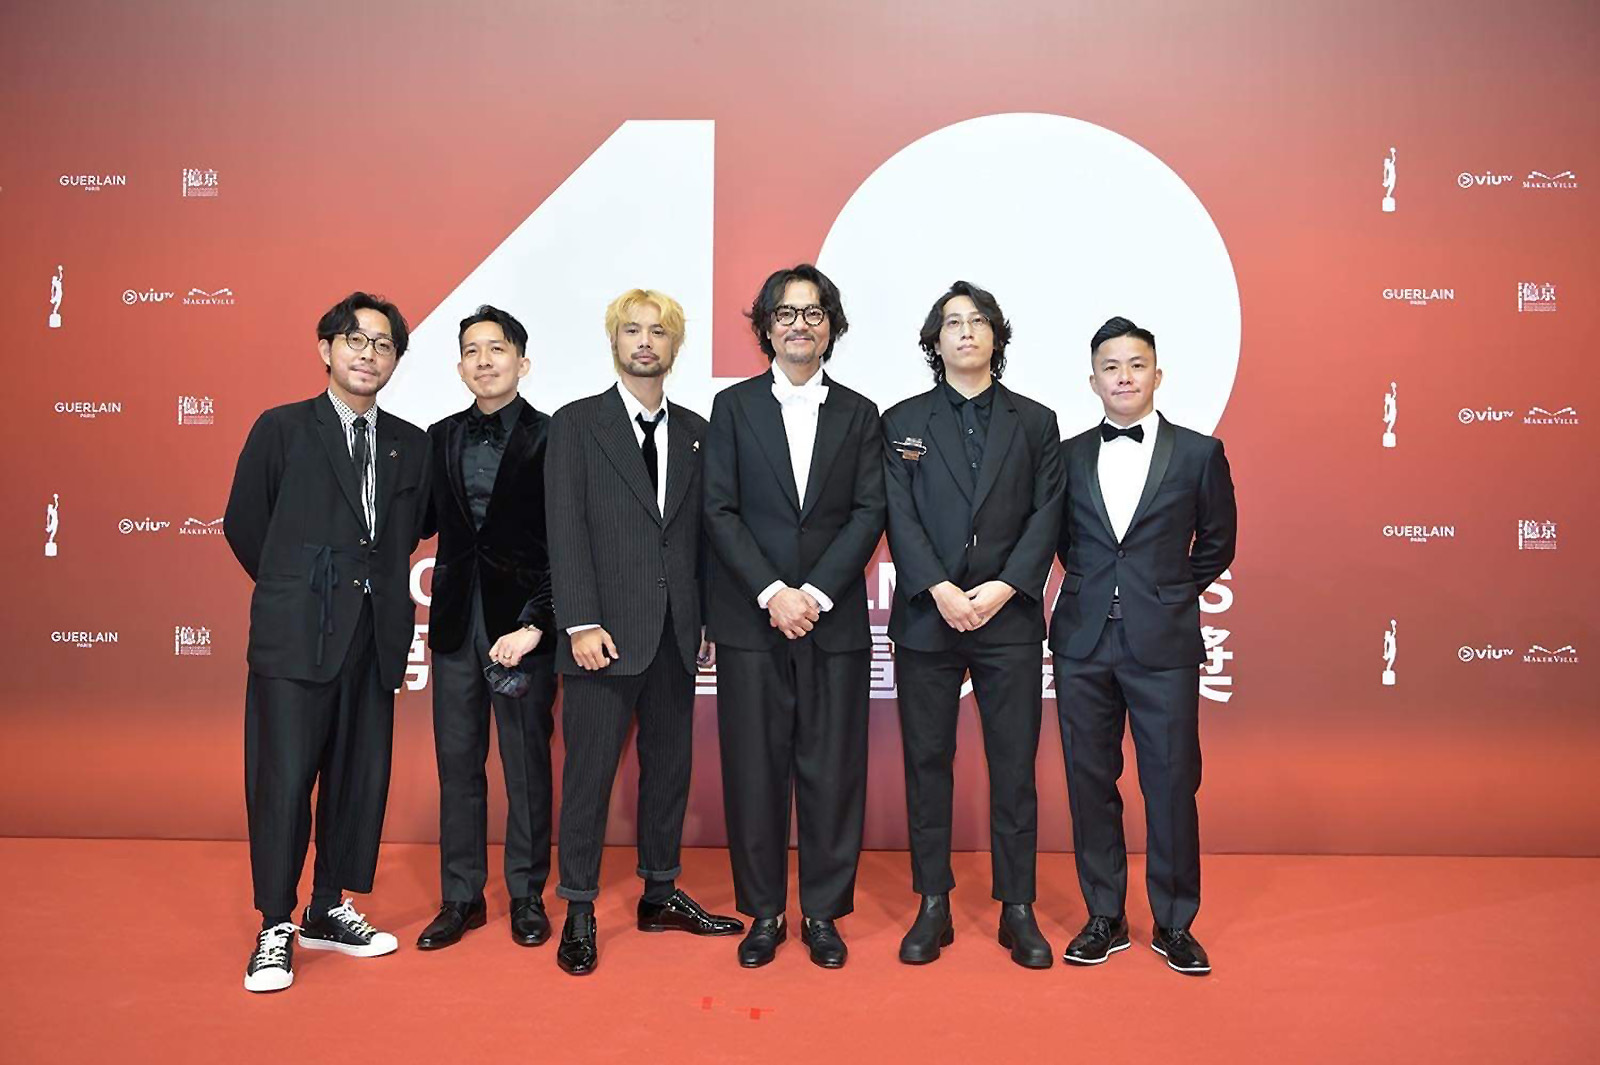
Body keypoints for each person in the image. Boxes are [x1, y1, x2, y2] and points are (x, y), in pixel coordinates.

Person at [225, 292, 432, 992]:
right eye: (355, 339)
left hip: (373, 641)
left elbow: (411, 532)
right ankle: (275, 924)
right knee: (283, 781)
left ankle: (328, 906)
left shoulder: (411, 441)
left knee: (357, 780)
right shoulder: (281, 429)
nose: (367, 353)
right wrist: (297, 590)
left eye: (382, 344)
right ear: (325, 348)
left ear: (395, 360)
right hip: (295, 639)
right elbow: (246, 526)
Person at [545, 289, 743, 976]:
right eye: (632, 330)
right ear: (614, 340)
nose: (645, 342)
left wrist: (708, 618)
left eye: (658, 331)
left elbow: (706, 537)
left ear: (675, 344)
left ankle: (660, 892)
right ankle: (578, 907)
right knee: (589, 776)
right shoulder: (575, 424)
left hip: (677, 634)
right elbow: (564, 527)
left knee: (669, 770)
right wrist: (580, 621)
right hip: (602, 634)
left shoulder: (697, 430)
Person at [703, 264, 886, 968]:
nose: (799, 324)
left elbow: (870, 511)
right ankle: (765, 912)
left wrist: (814, 594)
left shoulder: (861, 413)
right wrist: (772, 592)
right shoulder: (733, 407)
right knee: (754, 768)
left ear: (831, 326)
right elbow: (719, 508)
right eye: (785, 313)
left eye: (813, 313)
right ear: (765, 327)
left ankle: (822, 913)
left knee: (832, 768)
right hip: (753, 621)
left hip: (832, 621)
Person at [881, 281, 1064, 968]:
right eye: (952, 323)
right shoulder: (899, 420)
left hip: (1008, 617)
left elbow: (1047, 513)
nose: (965, 332)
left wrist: (1003, 585)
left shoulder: (1036, 421)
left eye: (977, 321)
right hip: (929, 618)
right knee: (927, 762)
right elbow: (897, 514)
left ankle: (1018, 906)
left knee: (1014, 767)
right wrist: (940, 587)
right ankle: (934, 902)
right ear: (935, 340)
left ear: (997, 336)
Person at [1049, 316, 1236, 975]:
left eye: (1135, 364)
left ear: (1157, 374)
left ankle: (1175, 921)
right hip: (1081, 641)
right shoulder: (1066, 455)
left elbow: (1218, 542)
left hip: (1164, 644)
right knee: (1090, 780)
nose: (1123, 375)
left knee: (1171, 781)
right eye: (1110, 366)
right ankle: (1105, 916)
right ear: (1093, 379)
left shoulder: (1198, 453)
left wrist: (1161, 591)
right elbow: (1066, 545)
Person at [414, 306, 559, 951]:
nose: (483, 360)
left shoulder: (553, 437)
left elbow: (570, 545)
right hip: (452, 626)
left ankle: (527, 895)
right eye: (471, 350)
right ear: (458, 365)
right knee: (457, 763)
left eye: (496, 349)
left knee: (525, 764)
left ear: (522, 362)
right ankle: (461, 897)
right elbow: (413, 523)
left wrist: (537, 622)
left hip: (519, 629)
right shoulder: (436, 436)